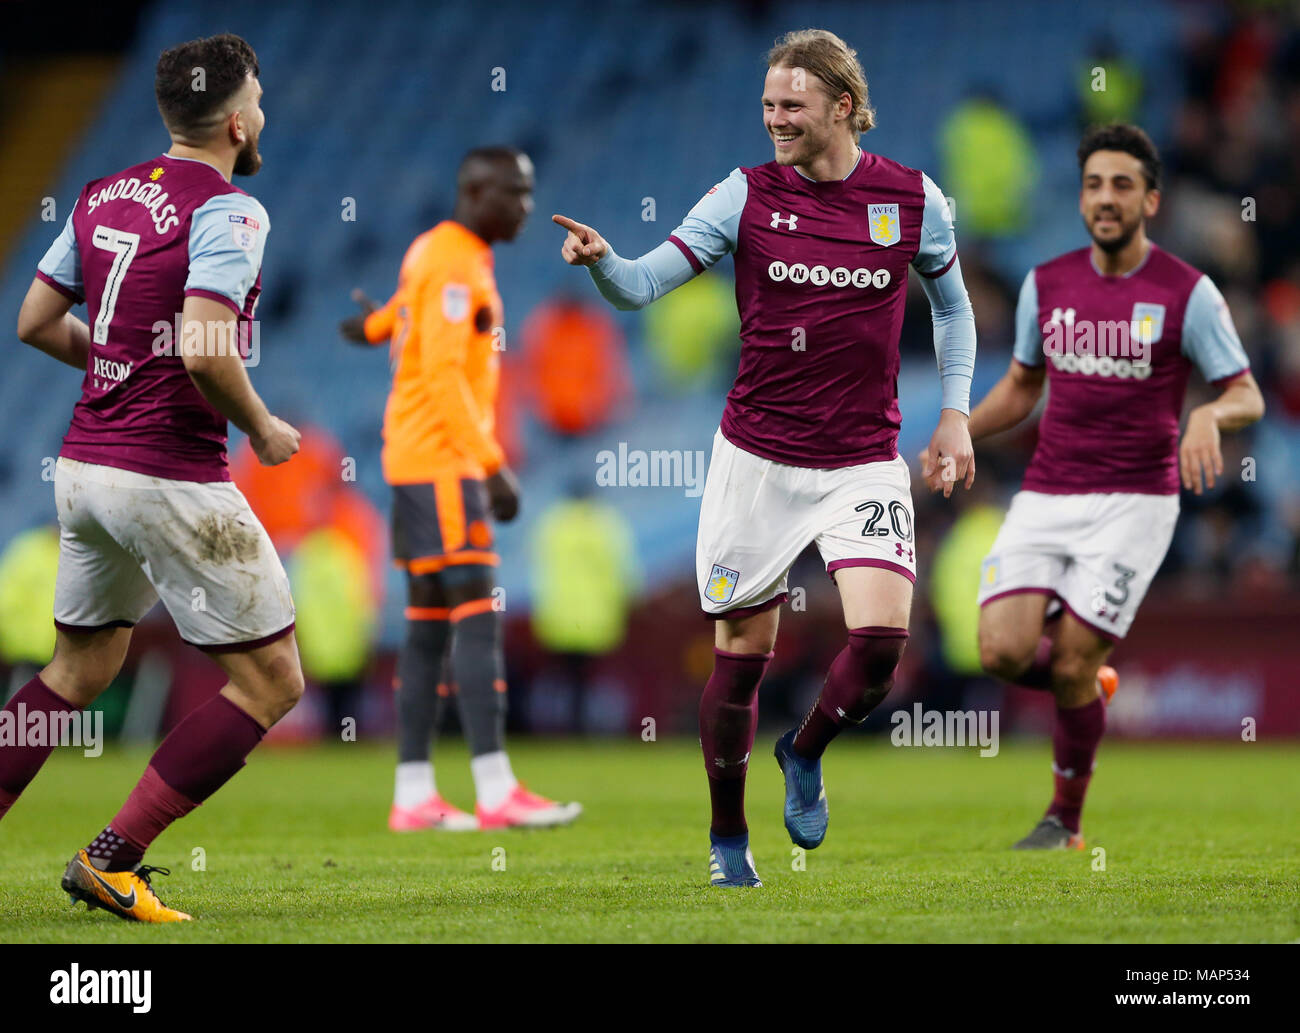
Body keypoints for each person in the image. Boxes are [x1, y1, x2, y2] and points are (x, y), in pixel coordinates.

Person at [554, 29, 976, 887]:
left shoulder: (912, 198)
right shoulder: (743, 197)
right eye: (768, 106)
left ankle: (805, 746)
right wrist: (604, 264)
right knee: (740, 661)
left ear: (843, 107)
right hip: (759, 457)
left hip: (861, 459)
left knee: (883, 642)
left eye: (792, 105)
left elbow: (956, 311)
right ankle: (726, 838)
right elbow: (642, 285)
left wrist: (957, 417)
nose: (776, 120)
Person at [4, 33, 303, 922]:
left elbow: (32, 320)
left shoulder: (101, 193)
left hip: (86, 463)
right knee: (272, 681)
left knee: (75, 669)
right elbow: (210, 348)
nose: (263, 116)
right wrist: (263, 425)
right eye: (260, 99)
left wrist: (120, 361)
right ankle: (113, 857)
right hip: (167, 473)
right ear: (240, 118)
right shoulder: (230, 210)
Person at [950, 124, 1263, 850]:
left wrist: (1209, 417)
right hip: (1048, 492)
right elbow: (1024, 386)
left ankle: (1064, 818)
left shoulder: (1189, 292)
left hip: (1136, 503)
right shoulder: (1045, 283)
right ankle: (1093, 684)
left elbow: (1246, 392)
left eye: (1122, 185)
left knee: (1069, 662)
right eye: (1094, 184)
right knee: (998, 651)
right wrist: (961, 428)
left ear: (1150, 200)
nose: (1106, 198)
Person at [342, 147, 580, 831]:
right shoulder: (455, 262)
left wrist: (375, 327)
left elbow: (405, 319)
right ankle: (496, 786)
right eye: (516, 192)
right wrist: (491, 463)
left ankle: (413, 792)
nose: (528, 207)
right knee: (478, 614)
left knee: (424, 628)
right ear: (476, 191)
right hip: (446, 464)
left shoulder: (433, 251)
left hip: (408, 462)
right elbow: (445, 376)